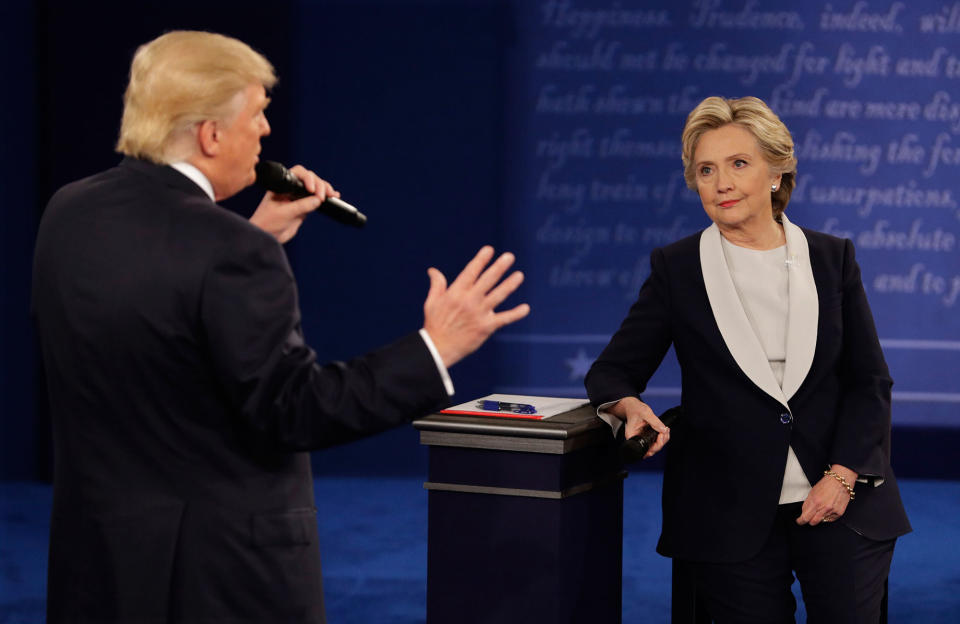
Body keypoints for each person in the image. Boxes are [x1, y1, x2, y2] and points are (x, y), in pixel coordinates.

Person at [32, 31, 529, 624]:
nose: (266, 131)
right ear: (211, 135)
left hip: (100, 571)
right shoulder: (230, 251)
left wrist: (254, 234)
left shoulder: (70, 212)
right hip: (217, 583)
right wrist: (435, 347)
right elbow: (295, 410)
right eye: (258, 113)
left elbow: (151, 326)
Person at [585, 96, 911, 623]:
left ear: (777, 171)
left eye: (739, 164)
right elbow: (612, 370)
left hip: (841, 498)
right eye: (705, 170)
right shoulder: (678, 268)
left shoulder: (832, 258)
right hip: (726, 511)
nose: (721, 183)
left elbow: (869, 382)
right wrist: (627, 406)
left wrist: (844, 476)